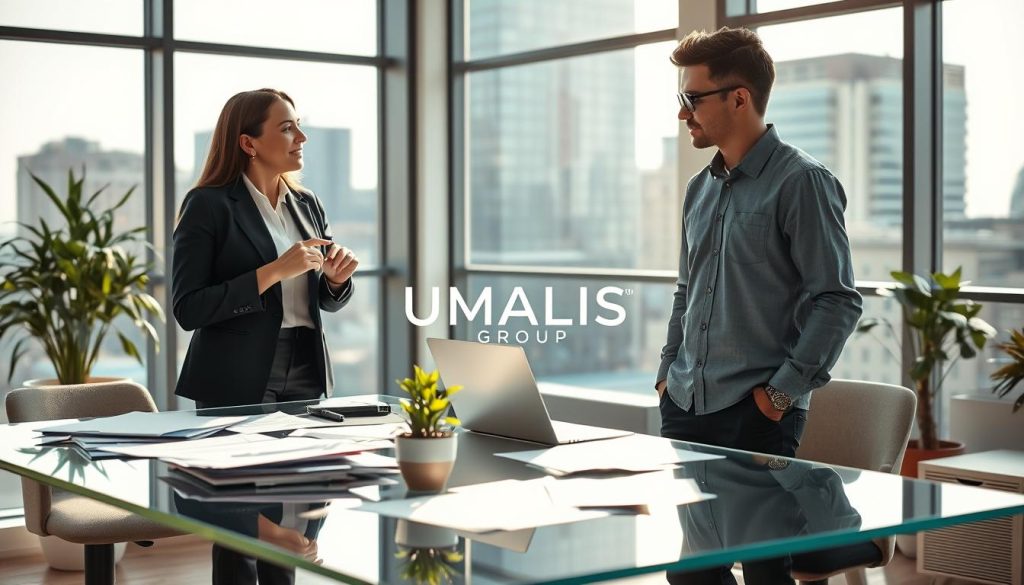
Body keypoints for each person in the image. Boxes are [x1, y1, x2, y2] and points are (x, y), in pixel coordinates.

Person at [654, 28, 862, 584]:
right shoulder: (700, 189)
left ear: (738, 97)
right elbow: (686, 291)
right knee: (696, 574)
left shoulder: (803, 183)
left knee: (767, 574)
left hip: (756, 414)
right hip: (684, 405)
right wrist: (665, 372)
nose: (682, 115)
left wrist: (779, 395)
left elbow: (837, 300)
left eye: (691, 99)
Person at [172, 88, 358, 584]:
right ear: (249, 143)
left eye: (298, 125)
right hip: (235, 375)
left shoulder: (307, 203)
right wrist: (272, 271)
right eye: (286, 127)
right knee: (241, 521)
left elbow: (320, 297)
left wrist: (337, 281)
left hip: (304, 366)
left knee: (297, 515)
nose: (301, 137)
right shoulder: (209, 205)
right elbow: (187, 308)